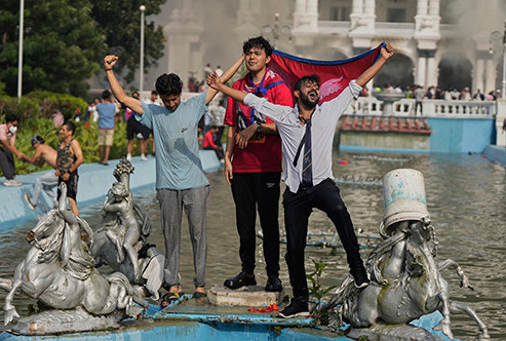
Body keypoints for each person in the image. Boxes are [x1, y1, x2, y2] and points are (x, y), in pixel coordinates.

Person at [207, 42, 395, 318]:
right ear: (297, 93)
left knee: (341, 213)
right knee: (293, 249)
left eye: (316, 87)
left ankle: (357, 269)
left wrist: (382, 59)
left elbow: (358, 82)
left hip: (322, 185)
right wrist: (221, 88)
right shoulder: (284, 115)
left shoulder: (329, 110)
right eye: (308, 86)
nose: (314, 89)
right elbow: (249, 100)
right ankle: (300, 300)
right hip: (295, 191)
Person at [103, 52, 244, 302]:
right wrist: (109, 71)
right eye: (167, 100)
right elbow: (122, 98)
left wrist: (242, 58)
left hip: (196, 185)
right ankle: (173, 285)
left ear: (181, 93)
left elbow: (221, 83)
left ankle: (200, 285)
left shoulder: (194, 106)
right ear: (160, 98)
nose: (171, 104)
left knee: (198, 235)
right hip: (167, 186)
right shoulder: (154, 114)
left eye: (175, 98)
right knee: (171, 237)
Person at [221, 36, 293, 293]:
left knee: (269, 222)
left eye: (257, 53)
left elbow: (287, 124)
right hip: (241, 166)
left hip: (268, 166)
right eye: (248, 53)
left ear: (268, 58)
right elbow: (230, 125)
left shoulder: (278, 87)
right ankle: (247, 272)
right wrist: (227, 158)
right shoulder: (238, 87)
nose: (252, 57)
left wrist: (258, 126)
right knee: (244, 222)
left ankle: (273, 274)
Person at [22, 135, 58, 210]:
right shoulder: (46, 148)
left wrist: (24, 157)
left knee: (39, 180)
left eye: (34, 145)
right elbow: (39, 165)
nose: (34, 148)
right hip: (64, 173)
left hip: (60, 172)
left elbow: (32, 160)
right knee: (45, 186)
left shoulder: (40, 147)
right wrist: (29, 160)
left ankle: (33, 203)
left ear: (36, 143)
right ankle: (56, 204)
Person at [57, 121, 84, 216]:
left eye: (63, 130)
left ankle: (77, 223)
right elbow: (59, 157)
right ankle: (61, 223)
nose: (61, 131)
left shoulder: (73, 143)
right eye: (61, 129)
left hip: (71, 175)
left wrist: (69, 172)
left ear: (70, 132)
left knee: (71, 199)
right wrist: (57, 169)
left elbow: (80, 159)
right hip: (61, 175)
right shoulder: (60, 143)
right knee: (59, 199)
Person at [125, 91, 150, 161]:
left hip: (138, 124)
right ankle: (129, 155)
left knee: (140, 140)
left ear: (138, 98)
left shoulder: (140, 105)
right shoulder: (128, 106)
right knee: (130, 140)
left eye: (136, 97)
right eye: (133, 97)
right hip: (130, 124)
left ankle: (143, 155)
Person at [96, 90, 118, 165]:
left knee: (101, 143)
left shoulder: (98, 105)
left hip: (101, 126)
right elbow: (116, 112)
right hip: (110, 126)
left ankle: (101, 159)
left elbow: (97, 111)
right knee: (108, 144)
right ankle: (106, 159)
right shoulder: (112, 106)